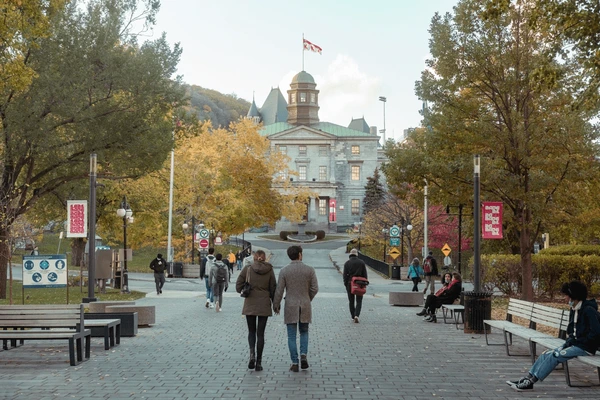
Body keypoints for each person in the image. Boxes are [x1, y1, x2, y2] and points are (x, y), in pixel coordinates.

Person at [507, 281, 600, 391]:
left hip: (586, 347)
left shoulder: (589, 310)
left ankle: (531, 382)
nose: (565, 298)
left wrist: (580, 342)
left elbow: (596, 332)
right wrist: (567, 343)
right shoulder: (575, 309)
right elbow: (572, 332)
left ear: (574, 297)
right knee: (546, 353)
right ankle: (528, 377)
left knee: (556, 355)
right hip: (575, 344)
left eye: (566, 296)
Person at [273, 245, 319, 372]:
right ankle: (303, 354)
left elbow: (279, 290)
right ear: (300, 254)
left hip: (290, 305)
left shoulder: (284, 271)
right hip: (305, 304)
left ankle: (294, 362)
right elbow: (315, 288)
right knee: (304, 332)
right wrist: (307, 298)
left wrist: (276, 304)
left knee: (291, 336)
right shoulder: (309, 270)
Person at [236, 250, 276, 372]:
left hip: (250, 304)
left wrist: (245, 289)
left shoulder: (247, 269)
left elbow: (238, 286)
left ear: (254, 258)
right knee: (261, 334)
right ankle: (259, 362)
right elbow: (273, 288)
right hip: (264, 304)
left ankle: (252, 355)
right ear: (264, 258)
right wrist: (276, 304)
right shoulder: (269, 270)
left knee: (251, 331)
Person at [343, 248, 368, 323]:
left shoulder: (347, 263)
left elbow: (345, 276)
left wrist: (346, 284)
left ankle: (353, 316)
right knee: (359, 300)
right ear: (357, 255)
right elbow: (365, 274)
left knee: (351, 301)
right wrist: (364, 283)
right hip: (360, 283)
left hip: (350, 283)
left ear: (350, 255)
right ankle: (357, 315)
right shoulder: (361, 262)